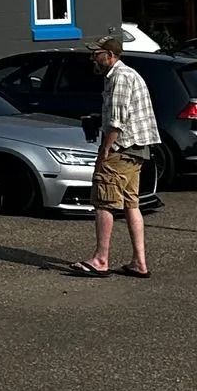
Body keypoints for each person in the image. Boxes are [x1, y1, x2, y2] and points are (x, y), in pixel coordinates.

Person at [74, 30, 156, 278]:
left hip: (122, 147)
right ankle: (139, 263)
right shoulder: (125, 75)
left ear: (109, 55)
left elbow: (117, 122)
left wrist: (105, 151)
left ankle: (101, 260)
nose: (92, 59)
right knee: (131, 203)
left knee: (103, 200)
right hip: (137, 148)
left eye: (95, 54)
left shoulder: (120, 77)